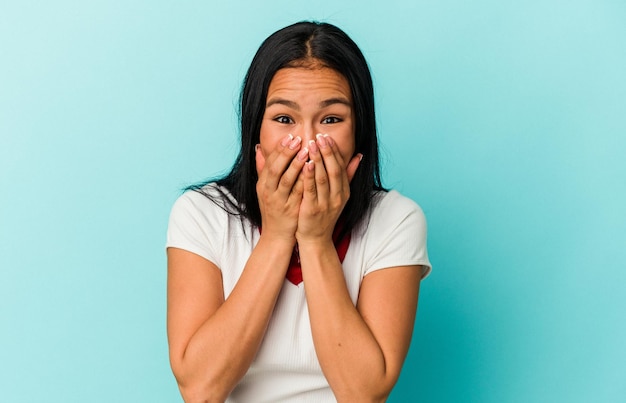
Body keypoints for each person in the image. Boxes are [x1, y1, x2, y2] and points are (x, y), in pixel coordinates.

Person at [166, 21, 431, 402]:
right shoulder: (201, 214)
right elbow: (200, 390)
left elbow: (364, 393)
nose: (308, 144)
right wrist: (276, 236)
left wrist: (315, 239)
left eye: (331, 120)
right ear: (255, 128)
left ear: (360, 130)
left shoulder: (396, 220)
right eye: (284, 119)